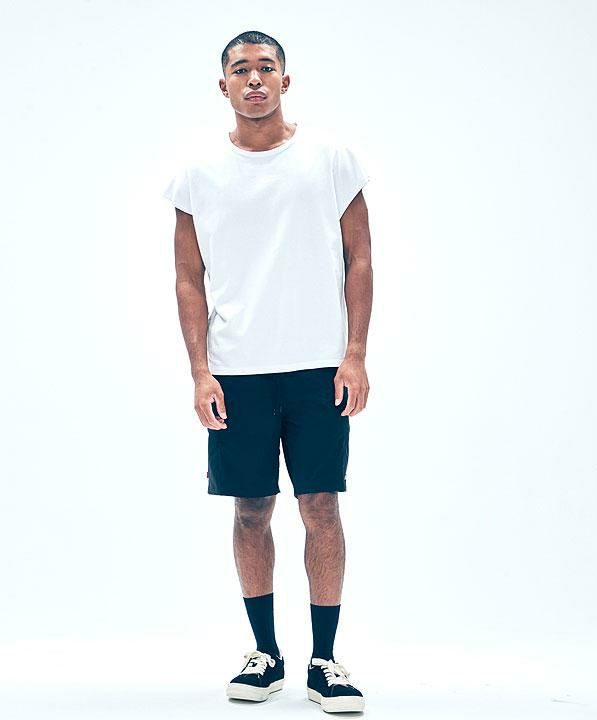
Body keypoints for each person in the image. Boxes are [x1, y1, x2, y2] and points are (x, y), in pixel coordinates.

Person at [163, 30, 373, 713]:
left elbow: (360, 258)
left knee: (321, 507)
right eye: (240, 69)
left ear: (286, 79)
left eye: (265, 67)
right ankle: (265, 654)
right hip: (237, 373)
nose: (254, 79)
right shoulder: (196, 173)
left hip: (318, 370)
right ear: (222, 84)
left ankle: (325, 660)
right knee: (251, 510)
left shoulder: (331, 159)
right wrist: (200, 371)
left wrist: (355, 353)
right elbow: (188, 278)